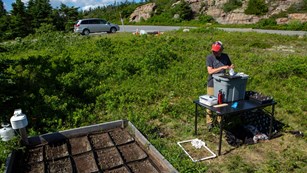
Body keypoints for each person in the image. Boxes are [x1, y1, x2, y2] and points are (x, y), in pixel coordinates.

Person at [206, 41, 234, 130]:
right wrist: (222, 67)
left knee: (220, 103)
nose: (214, 52)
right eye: (213, 50)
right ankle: (209, 122)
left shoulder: (225, 56)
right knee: (210, 103)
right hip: (212, 83)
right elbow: (210, 71)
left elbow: (230, 65)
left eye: (217, 51)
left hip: (223, 83)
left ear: (221, 50)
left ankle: (220, 121)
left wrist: (231, 68)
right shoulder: (210, 58)